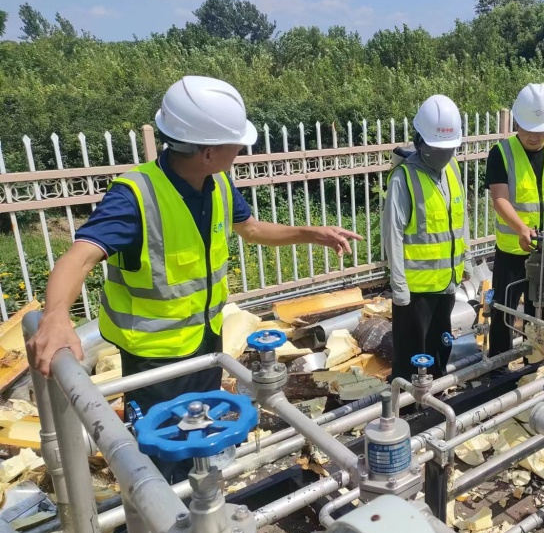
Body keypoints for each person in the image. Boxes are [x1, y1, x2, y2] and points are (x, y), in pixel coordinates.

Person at [26, 75, 361, 482]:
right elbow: (78, 257)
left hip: (206, 341)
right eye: (236, 144)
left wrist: (312, 233)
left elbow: (252, 229)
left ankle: (202, 499)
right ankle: (158, 513)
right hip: (156, 359)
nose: (240, 151)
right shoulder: (136, 195)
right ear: (207, 152)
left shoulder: (216, 182)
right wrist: (56, 317)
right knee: (160, 454)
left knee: (203, 435)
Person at [382, 94, 473, 381]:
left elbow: (460, 216)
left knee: (439, 349)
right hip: (415, 292)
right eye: (438, 147)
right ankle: (406, 404)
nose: (444, 154)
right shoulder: (404, 178)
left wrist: (467, 259)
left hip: (446, 284)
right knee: (411, 359)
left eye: (449, 148)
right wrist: (399, 287)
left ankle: (436, 394)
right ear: (420, 141)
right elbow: (393, 234)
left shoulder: (452, 169)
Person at [484, 84, 544, 358]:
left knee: (539, 310)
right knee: (503, 310)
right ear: (516, 122)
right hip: (512, 250)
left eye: (540, 130)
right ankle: (499, 365)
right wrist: (521, 229)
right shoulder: (501, 152)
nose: (534, 136)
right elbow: (500, 198)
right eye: (528, 129)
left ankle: (534, 358)